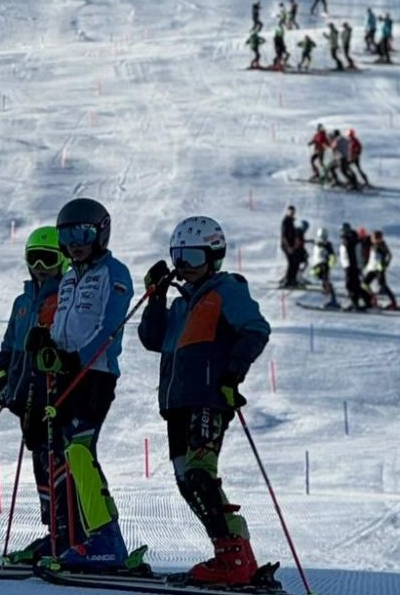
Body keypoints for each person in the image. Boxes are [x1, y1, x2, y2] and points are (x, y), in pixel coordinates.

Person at [138, 216, 271, 586]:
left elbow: (256, 329)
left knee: (199, 474)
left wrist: (232, 375)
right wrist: (156, 297)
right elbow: (151, 338)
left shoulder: (227, 289)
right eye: (178, 257)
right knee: (188, 481)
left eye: (193, 257)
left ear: (214, 257)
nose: (185, 266)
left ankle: (233, 558)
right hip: (177, 403)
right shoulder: (181, 304)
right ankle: (234, 553)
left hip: (208, 398)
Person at [27, 198, 135, 570]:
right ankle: (72, 536)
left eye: (83, 234)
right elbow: (63, 326)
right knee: (62, 452)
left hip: (95, 374)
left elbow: (110, 327)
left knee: (79, 451)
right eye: (67, 236)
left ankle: (107, 539)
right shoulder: (70, 277)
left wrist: (78, 357)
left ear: (100, 233)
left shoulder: (113, 272)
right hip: (66, 373)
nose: (75, 243)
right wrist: (47, 342)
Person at [0, 227, 77, 564]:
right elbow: (8, 345)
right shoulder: (23, 302)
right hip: (23, 395)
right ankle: (54, 530)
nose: (41, 267)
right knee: (40, 462)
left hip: (51, 394)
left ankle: (69, 530)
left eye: (48, 259)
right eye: (34, 259)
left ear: (62, 261)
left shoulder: (66, 297)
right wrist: (3, 377)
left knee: (56, 460)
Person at [363, 230, 399, 310]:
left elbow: (389, 255)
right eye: (373, 238)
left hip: (379, 269)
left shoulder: (382, 245)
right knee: (364, 284)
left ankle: (393, 303)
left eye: (375, 238)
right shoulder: (373, 245)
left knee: (382, 285)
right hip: (372, 268)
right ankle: (373, 298)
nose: (373, 239)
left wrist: (384, 265)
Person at [339, 224, 371, 311]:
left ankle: (356, 303)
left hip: (351, 266)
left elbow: (351, 255)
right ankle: (366, 301)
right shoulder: (352, 239)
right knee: (355, 285)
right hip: (352, 266)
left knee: (350, 285)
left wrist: (351, 266)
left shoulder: (350, 240)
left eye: (342, 230)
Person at [311, 228, 339, 307]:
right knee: (319, 277)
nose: (323, 239)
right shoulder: (317, 243)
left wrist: (330, 263)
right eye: (321, 237)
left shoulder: (327, 244)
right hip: (317, 264)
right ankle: (330, 295)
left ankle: (332, 299)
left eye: (324, 237)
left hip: (323, 264)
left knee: (325, 280)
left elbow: (331, 254)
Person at [279, 206, 301, 288]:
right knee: (292, 262)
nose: (292, 214)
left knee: (295, 261)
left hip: (291, 246)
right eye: (291, 212)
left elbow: (293, 234)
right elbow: (284, 236)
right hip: (286, 246)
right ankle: (288, 280)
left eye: (293, 212)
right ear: (287, 212)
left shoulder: (291, 221)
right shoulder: (286, 221)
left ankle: (292, 280)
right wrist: (288, 247)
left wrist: (296, 242)